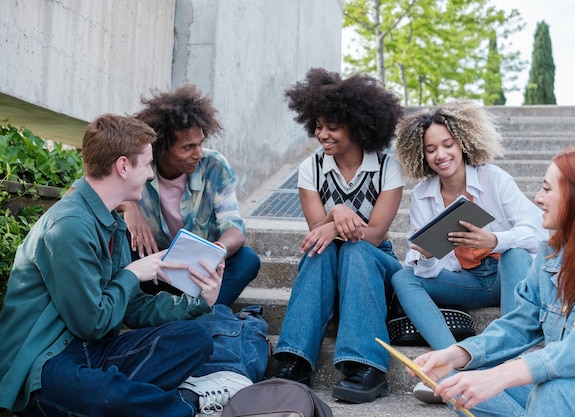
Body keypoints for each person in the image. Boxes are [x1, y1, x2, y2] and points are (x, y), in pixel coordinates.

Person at [0, 114, 253, 417]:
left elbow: (132, 308)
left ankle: (126, 401)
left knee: (194, 339)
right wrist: (133, 273)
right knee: (104, 397)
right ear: (123, 166)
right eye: (146, 164)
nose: (150, 174)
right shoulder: (67, 226)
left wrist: (198, 302)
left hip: (91, 351)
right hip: (44, 359)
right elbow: (90, 323)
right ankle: (186, 404)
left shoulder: (111, 223)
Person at [411, 146, 575, 417]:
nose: (538, 198)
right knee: (462, 384)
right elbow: (519, 324)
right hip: (569, 386)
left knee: (554, 392)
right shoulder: (549, 256)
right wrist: (456, 354)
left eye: (547, 189)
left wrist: (506, 374)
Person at [391, 100, 548, 403]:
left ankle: (510, 364)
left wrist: (494, 240)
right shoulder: (423, 195)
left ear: (462, 143)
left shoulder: (493, 178)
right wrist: (424, 254)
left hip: (508, 277)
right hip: (467, 282)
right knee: (403, 277)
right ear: (421, 155)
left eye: (447, 144)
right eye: (431, 149)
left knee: (515, 253)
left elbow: (538, 231)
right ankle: (447, 363)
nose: (441, 155)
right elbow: (428, 269)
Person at [266, 68, 405, 404]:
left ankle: (366, 365)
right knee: (319, 249)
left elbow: (374, 234)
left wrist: (336, 219)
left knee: (356, 251)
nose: (322, 134)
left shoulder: (387, 167)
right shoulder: (310, 168)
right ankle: (294, 359)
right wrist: (335, 213)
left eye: (332, 126)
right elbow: (318, 233)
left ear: (357, 125)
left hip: (374, 262)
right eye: (317, 126)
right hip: (326, 264)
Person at [121, 84, 260, 306]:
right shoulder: (139, 166)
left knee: (247, 259)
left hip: (201, 275)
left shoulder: (214, 166)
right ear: (162, 147)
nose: (197, 154)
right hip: (155, 272)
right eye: (187, 147)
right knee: (124, 242)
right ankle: (172, 312)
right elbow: (84, 191)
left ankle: (199, 312)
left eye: (200, 144)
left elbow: (234, 228)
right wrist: (128, 206)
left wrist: (218, 250)